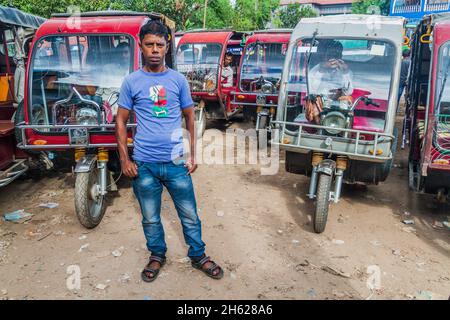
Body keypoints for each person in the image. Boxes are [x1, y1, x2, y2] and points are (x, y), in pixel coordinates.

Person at [115, 20, 224, 283]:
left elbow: (189, 117)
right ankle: (157, 255)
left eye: (160, 45)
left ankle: (198, 255)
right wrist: (124, 159)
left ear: (166, 48)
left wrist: (193, 154)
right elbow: (120, 120)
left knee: (189, 214)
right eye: (149, 44)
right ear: (141, 46)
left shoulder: (178, 81)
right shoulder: (131, 82)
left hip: (175, 162)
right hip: (145, 164)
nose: (154, 49)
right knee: (150, 218)